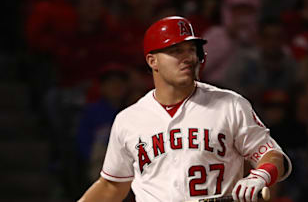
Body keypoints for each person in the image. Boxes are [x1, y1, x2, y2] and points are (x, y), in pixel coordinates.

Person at [77, 16, 292, 202]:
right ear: (153, 61)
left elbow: (274, 156)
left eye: (191, 50)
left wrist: (260, 175)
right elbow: (112, 186)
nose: (188, 57)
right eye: (176, 51)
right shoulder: (129, 120)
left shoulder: (230, 104)